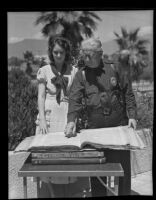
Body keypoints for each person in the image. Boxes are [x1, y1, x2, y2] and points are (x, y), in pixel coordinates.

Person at [64, 38, 137, 196]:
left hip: (119, 128)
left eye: (89, 55)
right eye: (83, 54)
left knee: (123, 171)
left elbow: (128, 93)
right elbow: (74, 99)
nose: (85, 58)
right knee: (97, 173)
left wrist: (132, 115)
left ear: (100, 54)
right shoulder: (81, 75)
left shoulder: (116, 69)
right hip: (95, 131)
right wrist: (71, 120)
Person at [35, 35, 90, 198]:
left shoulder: (73, 71)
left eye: (62, 52)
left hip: (67, 115)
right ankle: (51, 193)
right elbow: (41, 97)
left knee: (65, 155)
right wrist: (43, 120)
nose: (58, 55)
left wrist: (73, 119)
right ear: (51, 52)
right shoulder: (44, 70)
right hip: (50, 117)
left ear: (66, 53)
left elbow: (77, 96)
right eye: (56, 52)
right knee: (48, 156)